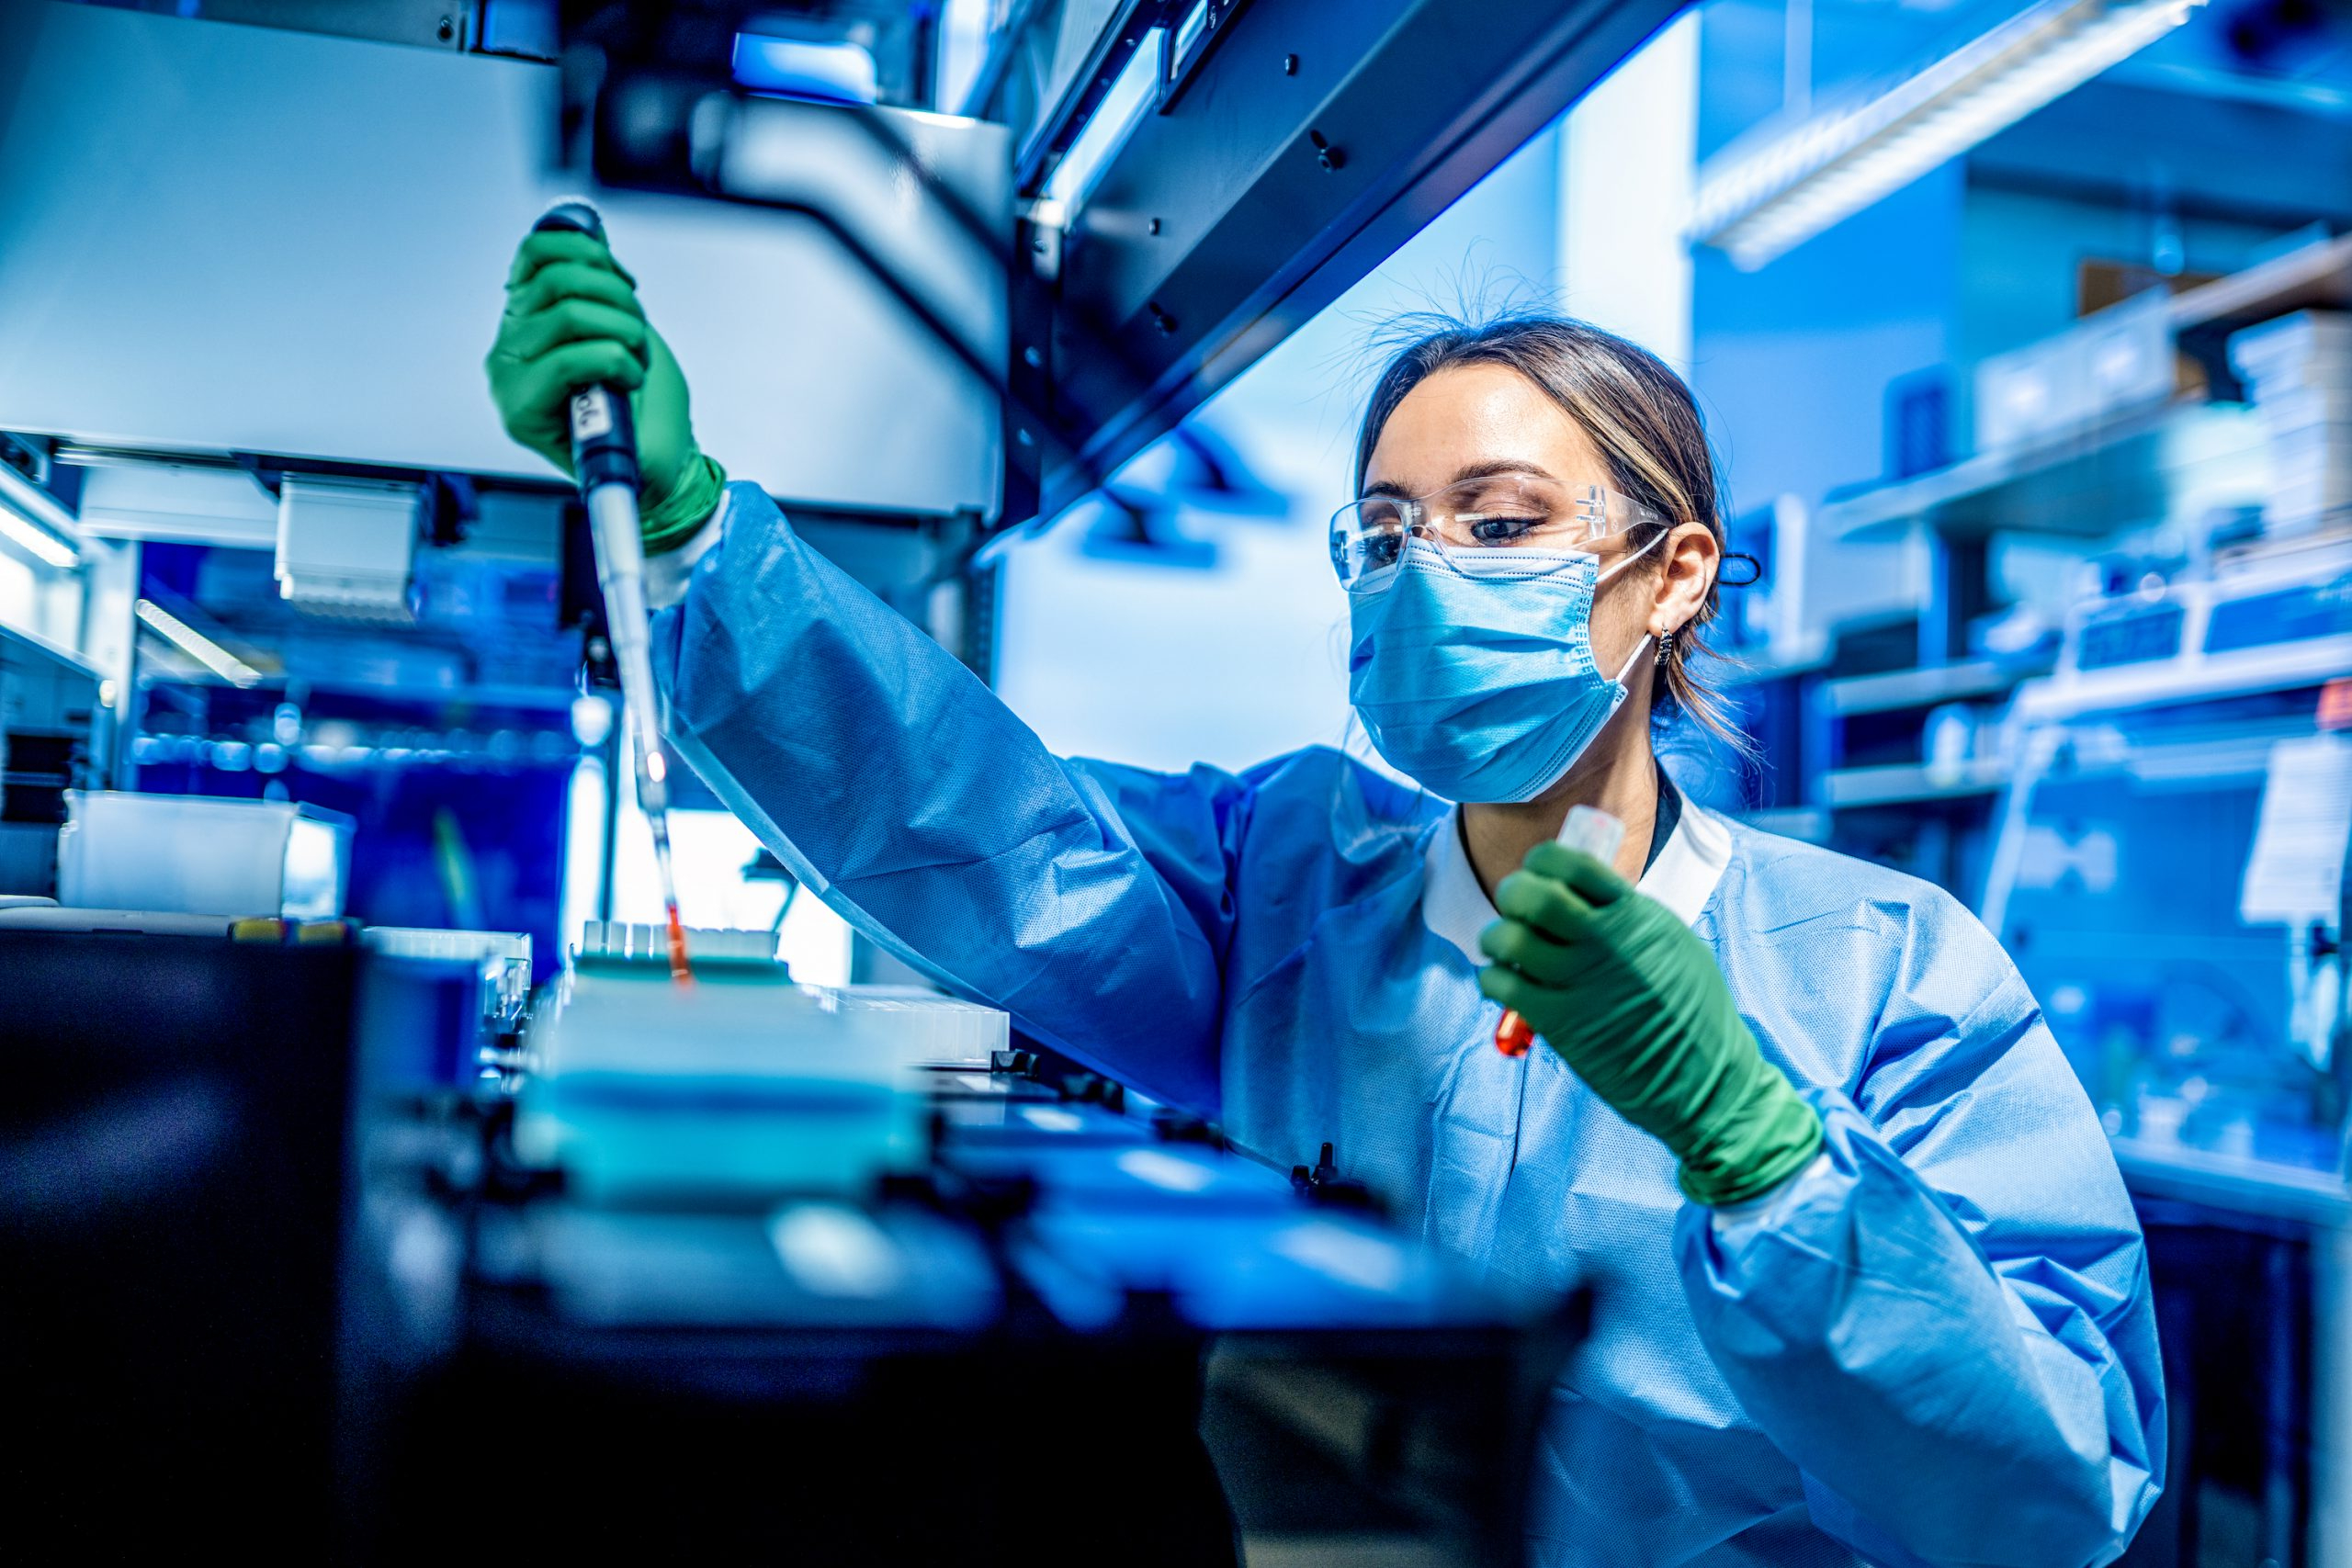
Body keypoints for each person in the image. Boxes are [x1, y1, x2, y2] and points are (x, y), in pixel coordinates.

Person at [487, 227, 2165, 1567]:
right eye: (1382, 533)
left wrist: (1764, 1151)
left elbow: (2040, 1507)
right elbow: (983, 825)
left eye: (1496, 524)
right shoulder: (1284, 886)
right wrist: (701, 535)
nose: (1424, 572)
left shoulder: (1890, 976)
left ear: (1672, 572)